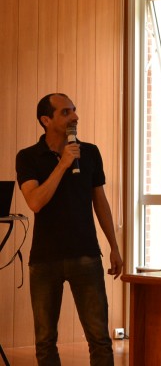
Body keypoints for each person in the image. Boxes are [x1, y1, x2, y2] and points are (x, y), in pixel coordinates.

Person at [16, 93, 123, 366]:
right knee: (45, 341)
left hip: (85, 254)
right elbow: (35, 201)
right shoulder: (28, 157)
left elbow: (100, 201)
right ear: (45, 120)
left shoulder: (90, 153)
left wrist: (114, 246)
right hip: (44, 260)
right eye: (65, 112)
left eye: (74, 110)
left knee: (99, 338)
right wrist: (63, 164)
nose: (75, 116)